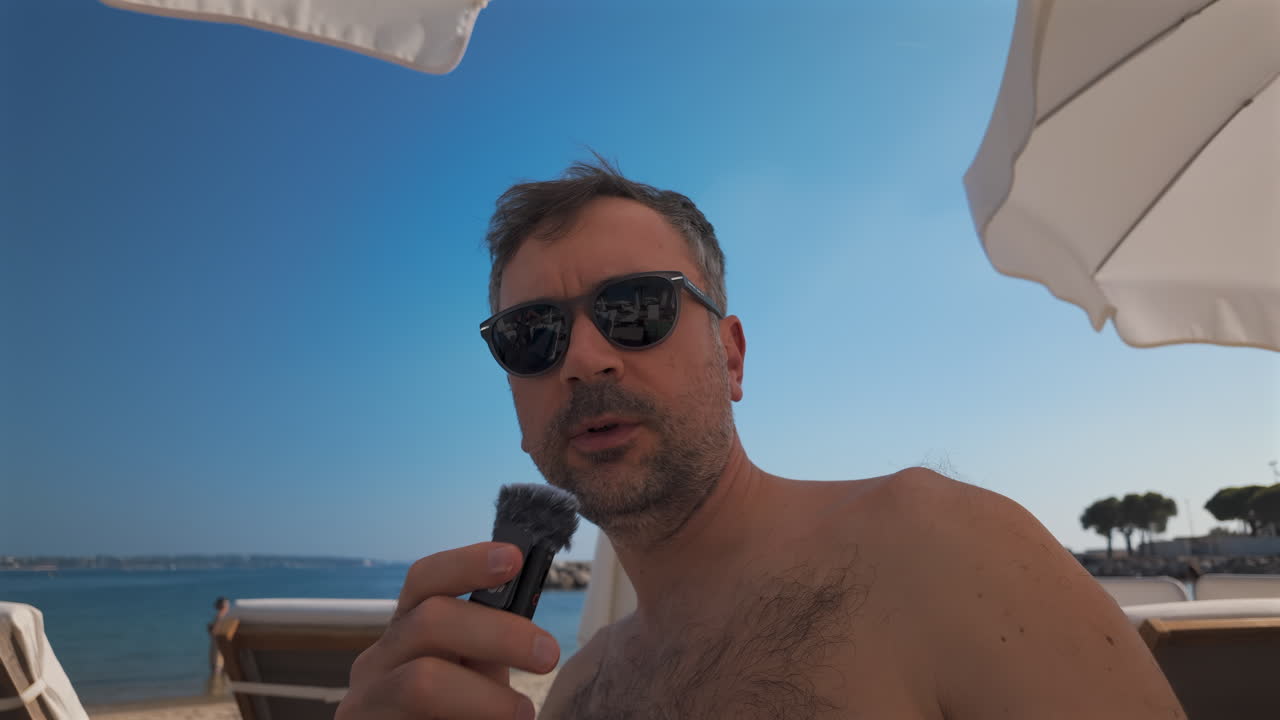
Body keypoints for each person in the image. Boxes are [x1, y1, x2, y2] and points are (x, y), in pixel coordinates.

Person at [337, 160, 1185, 719]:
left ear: (731, 355)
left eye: (635, 309)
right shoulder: (577, 693)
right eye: (533, 336)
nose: (584, 359)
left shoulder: (943, 550)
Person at [206, 596, 230, 695]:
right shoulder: (227, 615)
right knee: (224, 667)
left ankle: (215, 690)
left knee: (216, 667)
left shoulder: (220, 615)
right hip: (224, 643)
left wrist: (210, 628)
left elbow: (214, 632)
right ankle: (223, 690)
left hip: (218, 644)